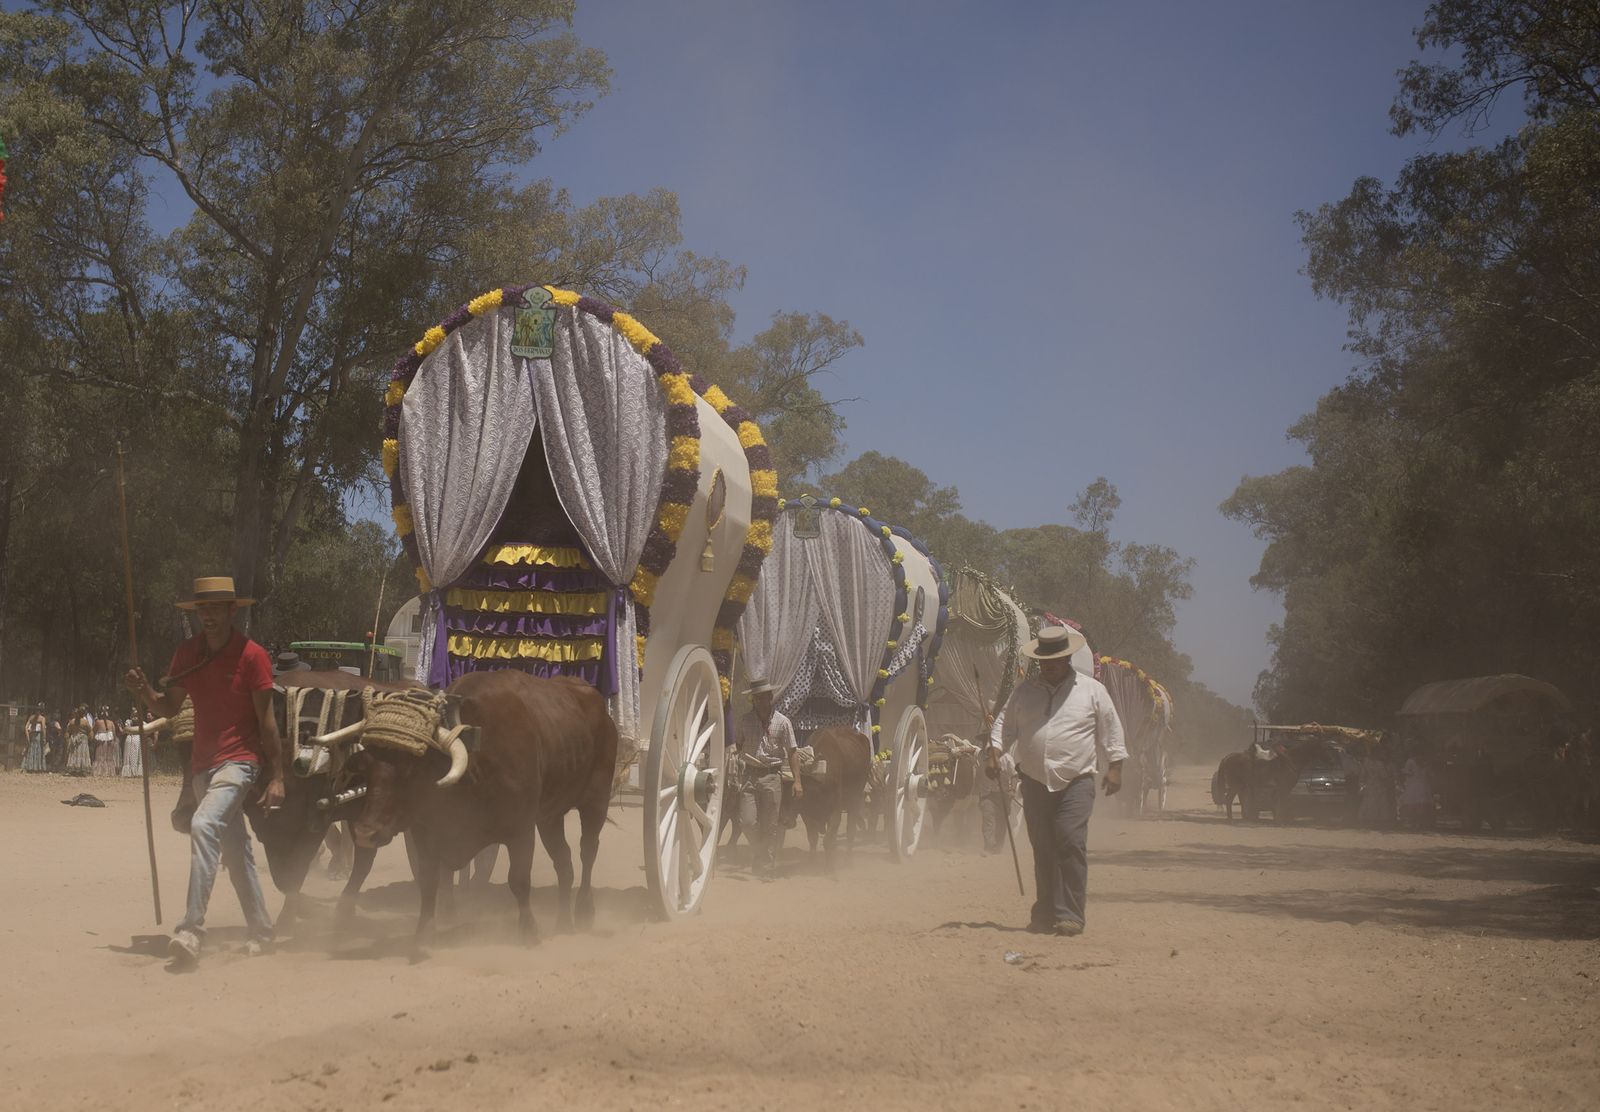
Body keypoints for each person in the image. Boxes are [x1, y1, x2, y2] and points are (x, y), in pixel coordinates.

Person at [124, 575, 284, 967]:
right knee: (236, 850)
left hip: (241, 762)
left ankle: (191, 931)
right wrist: (144, 690)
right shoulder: (187, 653)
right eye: (202, 609)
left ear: (233, 611)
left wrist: (277, 776)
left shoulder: (253, 656)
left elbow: (267, 722)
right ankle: (262, 930)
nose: (208, 616)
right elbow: (169, 708)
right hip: (203, 767)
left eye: (216, 608)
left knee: (203, 825)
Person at [989, 625, 1127, 937]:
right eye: (1044, 661)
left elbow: (1111, 730)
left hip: (1077, 781)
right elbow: (1004, 725)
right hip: (1035, 781)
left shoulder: (1092, 691)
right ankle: (1045, 912)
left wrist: (1115, 767)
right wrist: (994, 752)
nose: (1048, 665)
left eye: (1055, 660)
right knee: (1043, 846)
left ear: (1066, 659)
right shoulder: (1024, 692)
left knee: (1069, 840)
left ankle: (1070, 915)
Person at [735, 680, 802, 881]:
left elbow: (792, 752)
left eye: (764, 696)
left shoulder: (783, 722)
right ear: (753, 699)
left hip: (772, 777)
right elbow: (739, 746)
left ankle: (766, 867)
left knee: (770, 824)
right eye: (756, 697)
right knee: (746, 822)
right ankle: (760, 852)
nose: (760, 700)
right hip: (749, 775)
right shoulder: (745, 720)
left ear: (770, 697)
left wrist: (798, 781)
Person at [976, 709, 1021, 855]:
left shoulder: (1006, 758)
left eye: (989, 741)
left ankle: (998, 846)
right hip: (986, 794)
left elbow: (1014, 775)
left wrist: (1012, 790)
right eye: (984, 741)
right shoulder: (979, 755)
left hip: (1003, 795)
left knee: (1002, 822)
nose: (986, 744)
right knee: (988, 818)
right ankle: (989, 846)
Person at [64, 704, 93, 776]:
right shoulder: (85, 722)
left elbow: (67, 731)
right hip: (82, 739)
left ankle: (74, 769)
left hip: (74, 738)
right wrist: (90, 739)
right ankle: (81, 769)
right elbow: (90, 731)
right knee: (81, 753)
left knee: (74, 753)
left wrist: (67, 740)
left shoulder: (72, 721)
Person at [92, 706, 120, 776]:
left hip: (108, 740)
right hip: (105, 740)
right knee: (105, 755)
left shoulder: (101, 722)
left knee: (103, 755)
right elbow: (114, 734)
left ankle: (101, 771)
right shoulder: (107, 722)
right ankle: (106, 772)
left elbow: (93, 730)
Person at [23, 705, 48, 773]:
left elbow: (26, 727)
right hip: (38, 735)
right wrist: (44, 737)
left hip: (32, 735)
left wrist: (27, 736)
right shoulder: (42, 718)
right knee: (38, 750)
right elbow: (43, 728)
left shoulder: (31, 717)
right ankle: (37, 767)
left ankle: (30, 766)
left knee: (31, 750)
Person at [121, 711, 145, 778]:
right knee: (131, 755)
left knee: (134, 755)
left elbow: (125, 730)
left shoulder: (139, 722)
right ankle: (133, 772)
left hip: (135, 738)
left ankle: (133, 772)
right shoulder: (131, 721)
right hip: (134, 738)